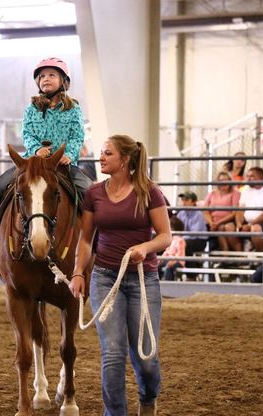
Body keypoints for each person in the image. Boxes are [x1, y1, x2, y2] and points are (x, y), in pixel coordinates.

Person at [68, 134, 172, 416]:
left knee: (146, 358)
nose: (101, 157)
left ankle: (148, 400)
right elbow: (86, 240)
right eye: (101, 153)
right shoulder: (94, 193)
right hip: (104, 278)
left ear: (124, 160)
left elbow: (165, 236)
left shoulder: (149, 192)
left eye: (107, 153)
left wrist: (145, 247)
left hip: (142, 279)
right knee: (112, 355)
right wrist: (78, 272)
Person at [0, 57, 91, 248]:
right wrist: (37, 149)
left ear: (63, 81)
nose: (46, 79)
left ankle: (101, 238)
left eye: (52, 75)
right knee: (1, 184)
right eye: (42, 76)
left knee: (88, 190)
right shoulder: (31, 109)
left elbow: (77, 136)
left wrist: (69, 154)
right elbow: (27, 133)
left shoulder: (73, 109)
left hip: (62, 164)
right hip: (34, 163)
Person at [204, 171, 241, 251]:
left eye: (225, 180)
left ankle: (238, 255)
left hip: (228, 221)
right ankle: (225, 256)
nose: (223, 183)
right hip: (212, 223)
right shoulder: (212, 194)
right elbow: (205, 211)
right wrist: (211, 223)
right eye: (221, 181)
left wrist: (218, 223)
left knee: (225, 227)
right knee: (220, 228)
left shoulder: (235, 193)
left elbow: (234, 212)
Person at [235, 167, 263, 252]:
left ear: (261, 177)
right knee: (228, 228)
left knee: (255, 229)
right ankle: (239, 259)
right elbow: (240, 210)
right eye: (247, 176)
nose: (248, 178)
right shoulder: (245, 190)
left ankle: (261, 258)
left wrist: (250, 225)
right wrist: (239, 224)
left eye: (252, 176)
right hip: (246, 222)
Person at [176, 191, 208, 257]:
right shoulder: (180, 213)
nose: (184, 202)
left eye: (186, 200)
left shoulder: (198, 214)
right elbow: (176, 228)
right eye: (183, 200)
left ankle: (190, 264)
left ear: (194, 202)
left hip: (199, 241)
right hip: (184, 238)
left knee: (184, 243)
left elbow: (194, 234)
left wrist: (180, 239)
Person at [159, 216, 186, 281]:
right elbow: (166, 251)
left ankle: (168, 284)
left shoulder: (180, 240)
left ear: (173, 228)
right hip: (168, 259)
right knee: (157, 265)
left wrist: (173, 261)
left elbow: (180, 254)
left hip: (178, 262)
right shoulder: (170, 240)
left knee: (169, 267)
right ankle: (157, 283)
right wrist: (161, 259)